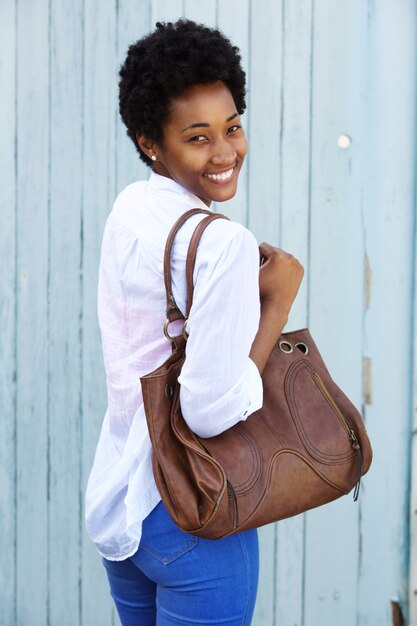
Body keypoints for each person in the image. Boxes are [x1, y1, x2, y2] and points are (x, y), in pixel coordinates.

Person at [85, 18, 304, 626]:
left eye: (232, 127)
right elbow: (208, 411)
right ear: (149, 141)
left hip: (121, 506)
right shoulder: (224, 245)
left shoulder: (130, 208)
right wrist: (278, 302)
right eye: (198, 137)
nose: (225, 152)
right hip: (190, 512)